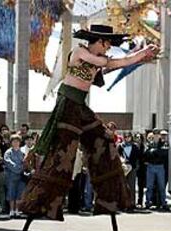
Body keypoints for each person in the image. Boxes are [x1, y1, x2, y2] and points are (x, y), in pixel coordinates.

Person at [18, 25, 159, 220]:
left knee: (105, 140)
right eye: (107, 44)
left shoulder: (98, 59)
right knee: (63, 155)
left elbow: (121, 61)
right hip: (67, 105)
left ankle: (108, 200)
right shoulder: (80, 52)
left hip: (80, 107)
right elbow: (107, 61)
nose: (109, 48)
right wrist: (137, 54)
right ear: (99, 41)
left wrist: (141, 54)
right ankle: (42, 204)